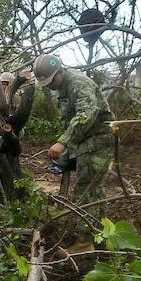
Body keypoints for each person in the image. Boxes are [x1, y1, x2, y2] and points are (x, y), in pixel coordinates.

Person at [33, 53, 115, 255]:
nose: (49, 86)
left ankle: (84, 242)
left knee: (86, 189)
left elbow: (85, 115)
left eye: (50, 81)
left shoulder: (79, 84)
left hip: (98, 143)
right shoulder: (62, 86)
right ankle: (100, 235)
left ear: (60, 72)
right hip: (85, 143)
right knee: (94, 189)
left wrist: (63, 142)